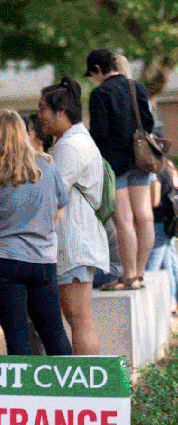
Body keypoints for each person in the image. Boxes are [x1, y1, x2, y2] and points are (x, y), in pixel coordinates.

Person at [0, 108, 72, 356]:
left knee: (17, 335)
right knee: (54, 332)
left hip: (2, 259)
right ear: (24, 133)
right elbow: (60, 210)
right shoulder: (47, 166)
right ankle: (70, 392)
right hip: (43, 260)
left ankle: (25, 394)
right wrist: (41, 229)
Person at [39, 77, 109, 355]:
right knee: (76, 318)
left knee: (79, 318)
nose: (40, 115)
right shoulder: (69, 141)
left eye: (43, 108)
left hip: (75, 242)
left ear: (61, 111)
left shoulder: (71, 146)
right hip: (73, 241)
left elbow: (50, 193)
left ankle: (88, 389)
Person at [86, 48, 154, 290]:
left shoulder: (100, 93)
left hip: (115, 163)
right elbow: (148, 122)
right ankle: (140, 273)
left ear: (97, 70)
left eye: (92, 74)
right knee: (145, 217)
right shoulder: (137, 86)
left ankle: (128, 275)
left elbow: (99, 134)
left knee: (124, 221)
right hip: (141, 158)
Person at [146, 159, 178, 312]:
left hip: (158, 223)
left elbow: (154, 200)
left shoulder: (156, 171)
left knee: (152, 268)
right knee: (168, 265)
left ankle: (153, 307)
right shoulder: (165, 168)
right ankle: (171, 303)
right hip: (167, 223)